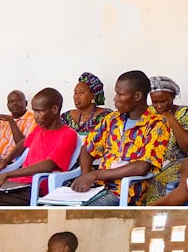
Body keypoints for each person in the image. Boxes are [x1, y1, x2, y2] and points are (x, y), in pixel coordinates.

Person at [71, 70, 170, 206]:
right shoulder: (112, 119)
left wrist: (95, 175)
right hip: (98, 189)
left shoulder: (157, 124)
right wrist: (87, 176)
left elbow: (141, 167)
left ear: (137, 96)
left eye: (120, 94)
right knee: (57, 209)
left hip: (126, 192)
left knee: (80, 212)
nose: (115, 99)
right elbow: (87, 150)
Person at [144, 76, 188, 203]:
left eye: (163, 101)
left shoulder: (184, 113)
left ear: (173, 96)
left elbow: (186, 147)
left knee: (160, 181)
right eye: (154, 101)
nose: (158, 106)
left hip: (178, 165)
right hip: (151, 163)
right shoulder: (148, 113)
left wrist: (170, 118)